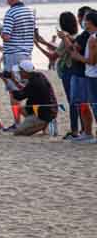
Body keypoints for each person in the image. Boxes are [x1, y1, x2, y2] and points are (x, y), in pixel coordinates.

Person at [35, 11, 80, 138]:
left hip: (69, 71)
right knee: (77, 101)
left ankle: (75, 130)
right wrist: (43, 42)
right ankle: (80, 130)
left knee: (73, 102)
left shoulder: (66, 38)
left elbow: (53, 56)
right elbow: (59, 49)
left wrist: (37, 45)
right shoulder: (75, 36)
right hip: (73, 71)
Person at [1, 0, 36, 130]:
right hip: (27, 54)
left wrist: (1, 32)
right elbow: (34, 33)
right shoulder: (30, 12)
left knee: (14, 90)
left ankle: (17, 122)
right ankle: (31, 118)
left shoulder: (11, 12)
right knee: (26, 88)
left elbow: (6, 36)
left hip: (14, 54)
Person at [0, 60, 58, 136]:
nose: (19, 73)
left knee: (18, 133)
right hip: (50, 110)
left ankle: (44, 124)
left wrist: (7, 83)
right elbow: (24, 89)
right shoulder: (39, 76)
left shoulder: (34, 83)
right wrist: (13, 80)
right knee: (21, 109)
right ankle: (43, 124)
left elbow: (18, 97)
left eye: (20, 71)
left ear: (25, 72)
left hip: (43, 114)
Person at [67, 11, 97, 143]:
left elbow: (91, 61)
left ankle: (89, 134)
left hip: (92, 75)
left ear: (90, 22)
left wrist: (77, 56)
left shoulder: (93, 38)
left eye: (85, 20)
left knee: (94, 105)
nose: (83, 23)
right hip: (91, 74)